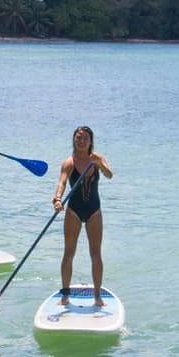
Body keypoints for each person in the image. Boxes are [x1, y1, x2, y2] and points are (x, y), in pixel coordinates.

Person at [55, 125, 114, 305]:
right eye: (78, 137)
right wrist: (57, 199)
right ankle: (65, 294)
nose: (81, 141)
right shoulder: (69, 162)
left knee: (95, 254)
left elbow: (109, 175)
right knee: (69, 253)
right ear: (74, 139)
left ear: (90, 142)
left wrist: (100, 163)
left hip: (94, 211)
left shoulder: (97, 159)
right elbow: (62, 183)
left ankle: (97, 295)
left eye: (85, 138)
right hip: (73, 210)